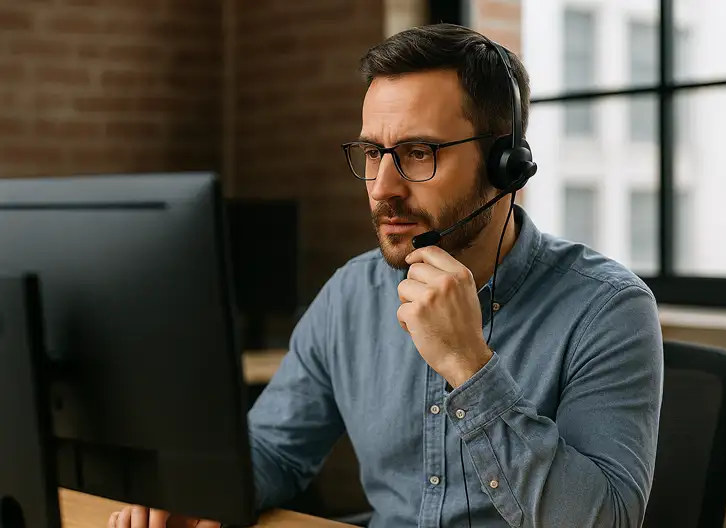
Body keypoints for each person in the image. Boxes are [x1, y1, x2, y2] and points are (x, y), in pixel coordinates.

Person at [108, 23, 663, 528]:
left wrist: (470, 366)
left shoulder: (607, 308)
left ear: (506, 165)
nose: (382, 187)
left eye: (419, 153)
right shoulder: (351, 294)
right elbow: (275, 448)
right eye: (374, 153)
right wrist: (198, 494)